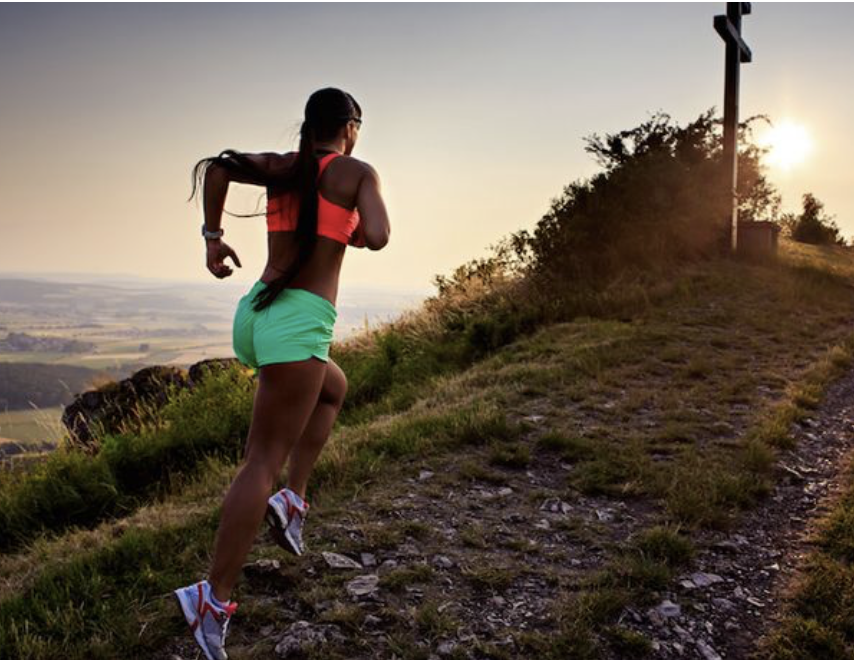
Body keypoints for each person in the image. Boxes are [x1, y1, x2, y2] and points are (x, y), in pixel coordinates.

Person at [173, 87, 390, 660]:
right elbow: (379, 236)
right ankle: (212, 598)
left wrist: (213, 238)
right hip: (298, 322)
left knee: (332, 389)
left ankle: (293, 500)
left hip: (257, 312)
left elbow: (218, 167)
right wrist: (354, 223)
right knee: (261, 461)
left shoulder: (284, 167)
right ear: (350, 126)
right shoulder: (356, 172)